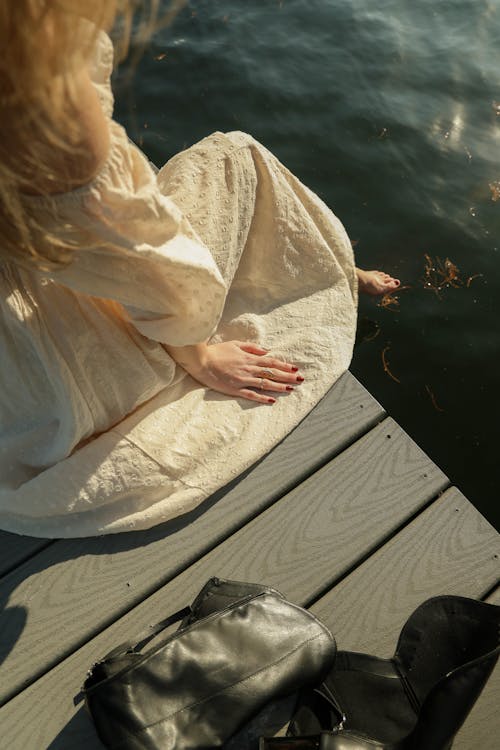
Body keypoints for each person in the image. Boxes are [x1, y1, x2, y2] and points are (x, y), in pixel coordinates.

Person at [0, 1, 400, 538]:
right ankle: (330, 264)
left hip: (12, 397)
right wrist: (198, 355)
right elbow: (157, 275)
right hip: (61, 387)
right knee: (236, 156)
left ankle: (327, 259)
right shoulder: (37, 88)